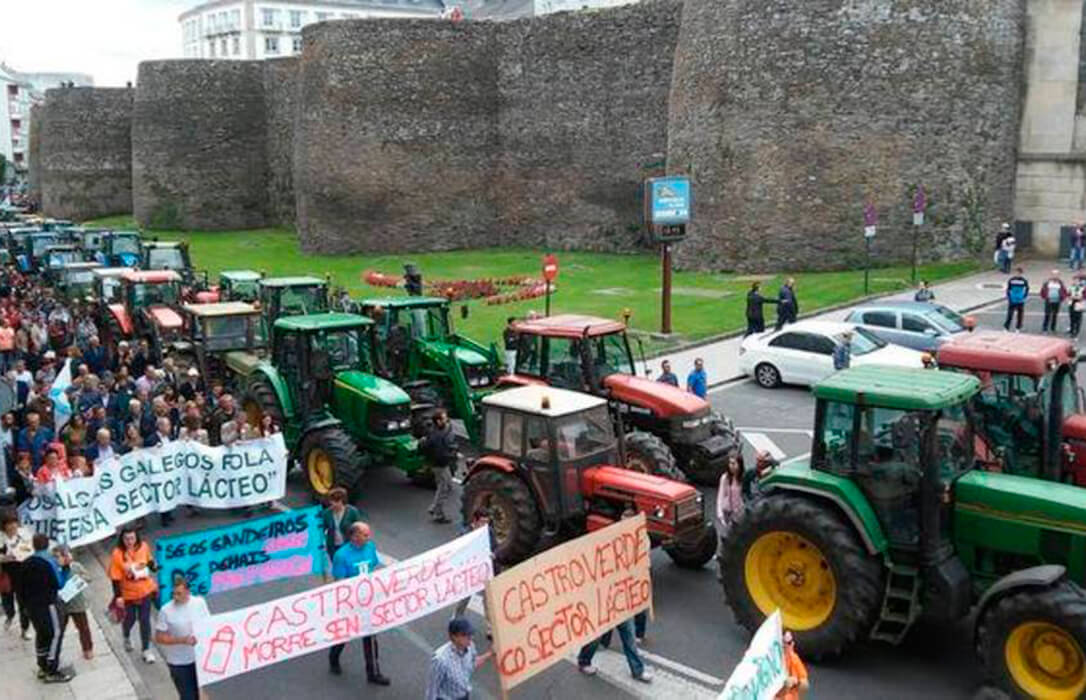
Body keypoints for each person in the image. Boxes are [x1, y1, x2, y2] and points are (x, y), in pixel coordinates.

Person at [329, 522, 389, 685]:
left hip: (367, 601)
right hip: (350, 603)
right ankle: (334, 658)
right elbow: (339, 582)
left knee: (370, 638)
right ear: (354, 536)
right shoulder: (341, 556)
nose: (369, 537)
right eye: (365, 535)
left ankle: (373, 672)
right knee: (344, 635)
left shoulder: (370, 547)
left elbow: (372, 569)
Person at [22, 533, 71, 682]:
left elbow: (21, 587)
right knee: (56, 633)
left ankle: (42, 666)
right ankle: (52, 668)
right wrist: (66, 567)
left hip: (31, 606)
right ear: (47, 544)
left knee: (41, 634)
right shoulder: (50, 562)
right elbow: (59, 583)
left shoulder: (26, 562)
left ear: (34, 545)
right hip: (48, 604)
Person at [155, 575, 210, 700]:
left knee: (197, 694)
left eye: (179, 594)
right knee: (187, 696)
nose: (175, 597)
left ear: (188, 591)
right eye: (174, 593)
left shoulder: (199, 603)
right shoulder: (166, 610)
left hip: (198, 659)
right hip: (178, 662)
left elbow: (208, 624)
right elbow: (159, 637)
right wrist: (182, 640)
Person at [109, 527, 158, 663]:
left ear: (136, 537)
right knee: (130, 619)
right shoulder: (117, 554)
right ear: (122, 539)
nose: (129, 541)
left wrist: (154, 566)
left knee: (145, 620)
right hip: (128, 594)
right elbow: (115, 577)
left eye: (132, 538)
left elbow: (149, 562)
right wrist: (118, 596)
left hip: (144, 590)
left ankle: (146, 649)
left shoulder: (144, 546)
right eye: (126, 539)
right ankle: (126, 635)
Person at [424, 617, 494, 700]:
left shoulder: (470, 646)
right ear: (453, 637)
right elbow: (433, 688)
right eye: (465, 635)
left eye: (470, 634)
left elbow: (473, 663)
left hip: (464, 696)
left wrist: (490, 654)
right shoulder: (440, 660)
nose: (470, 638)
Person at [578, 614, 652, 683]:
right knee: (596, 637)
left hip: (621, 606)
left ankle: (637, 671)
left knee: (629, 636)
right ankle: (584, 660)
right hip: (602, 606)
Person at [53, 543, 93, 660]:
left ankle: (87, 648)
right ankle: (55, 651)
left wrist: (79, 580)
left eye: (60, 556)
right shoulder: (55, 570)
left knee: (83, 628)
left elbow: (88, 577)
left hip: (77, 603)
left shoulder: (76, 566)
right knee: (59, 630)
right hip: (61, 605)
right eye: (56, 557)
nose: (59, 559)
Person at [420, 409, 457, 524]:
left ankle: (434, 507)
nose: (447, 419)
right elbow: (441, 453)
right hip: (440, 465)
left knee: (446, 485)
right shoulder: (437, 436)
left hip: (439, 464)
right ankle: (438, 513)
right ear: (439, 421)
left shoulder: (435, 431)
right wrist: (452, 455)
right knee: (444, 487)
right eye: (444, 418)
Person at [1, 510, 32, 638]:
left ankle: (25, 629)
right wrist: (5, 558)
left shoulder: (24, 533)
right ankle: (9, 615)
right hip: (7, 574)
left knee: (23, 603)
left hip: (22, 571)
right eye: (9, 524)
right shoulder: (1, 538)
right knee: (8, 600)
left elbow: (30, 548)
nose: (13, 526)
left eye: (14, 523)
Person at [320, 487, 363, 560]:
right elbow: (321, 529)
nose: (333, 504)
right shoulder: (327, 513)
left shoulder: (352, 512)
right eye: (332, 501)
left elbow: (359, 528)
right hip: (333, 547)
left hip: (348, 545)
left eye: (336, 501)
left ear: (342, 501)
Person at [776, 629, 810, 700]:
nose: (785, 645)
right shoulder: (773, 661)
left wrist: (796, 682)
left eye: (788, 642)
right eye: (783, 642)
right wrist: (786, 686)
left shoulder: (794, 658)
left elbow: (805, 685)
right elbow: (776, 695)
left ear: (792, 644)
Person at [1004, 267, 1030, 332]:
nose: (1017, 274)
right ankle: (1006, 327)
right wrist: (1009, 297)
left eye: (1019, 273)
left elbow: (1027, 288)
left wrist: (1024, 296)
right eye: (1016, 273)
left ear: (1021, 273)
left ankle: (1018, 327)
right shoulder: (1011, 280)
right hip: (1012, 299)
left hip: (1020, 300)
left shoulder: (1024, 281)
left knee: (1020, 315)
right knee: (1010, 314)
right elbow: (1008, 289)